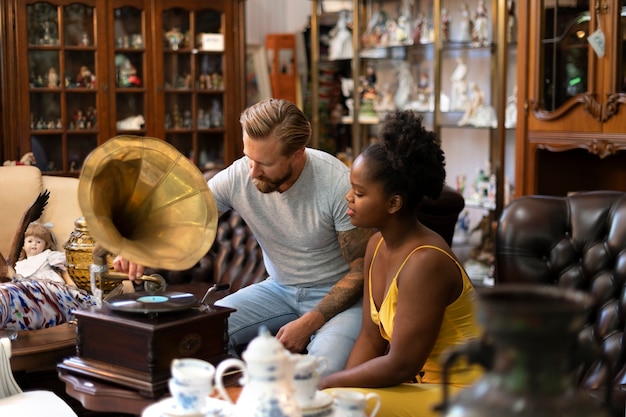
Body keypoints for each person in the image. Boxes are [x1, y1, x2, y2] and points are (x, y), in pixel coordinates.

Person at [114, 98, 373, 375]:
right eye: (249, 157)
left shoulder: (336, 183)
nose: (252, 171)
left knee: (319, 373)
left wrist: (310, 322)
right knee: (198, 334)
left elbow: (361, 272)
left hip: (339, 301)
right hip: (279, 289)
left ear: (297, 154)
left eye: (265, 163)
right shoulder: (240, 174)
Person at [319, 110, 482, 417]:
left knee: (333, 406)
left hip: (465, 395)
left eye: (359, 192)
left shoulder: (426, 262)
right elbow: (370, 340)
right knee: (333, 403)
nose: (348, 198)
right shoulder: (375, 245)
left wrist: (328, 384)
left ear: (394, 203)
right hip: (421, 387)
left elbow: (401, 364)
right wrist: (337, 389)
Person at [14, 221, 75, 286]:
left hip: (48, 287)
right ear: (23, 245)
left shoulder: (47, 255)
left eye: (38, 242)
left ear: (45, 245)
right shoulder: (20, 265)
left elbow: (65, 260)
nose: (34, 244)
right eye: (30, 241)